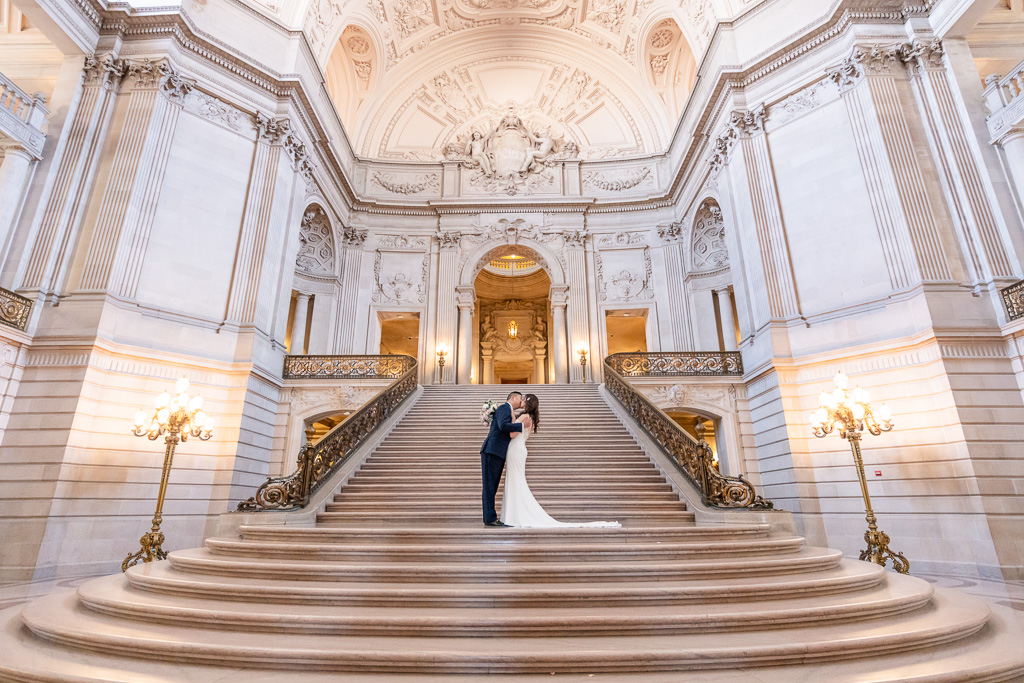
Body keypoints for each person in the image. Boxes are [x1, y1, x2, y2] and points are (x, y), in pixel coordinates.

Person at [500, 394, 620, 529]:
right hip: (519, 450)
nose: (521, 400)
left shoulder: (524, 417)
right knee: (516, 479)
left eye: (524, 398)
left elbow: (512, 434)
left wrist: (510, 418)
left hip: (515, 451)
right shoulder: (529, 418)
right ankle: (513, 514)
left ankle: (514, 515)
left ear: (527, 403)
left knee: (515, 480)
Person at [479, 391, 530, 527]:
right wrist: (521, 426)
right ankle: (489, 518)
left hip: (497, 452)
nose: (521, 401)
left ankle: (490, 517)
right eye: (520, 398)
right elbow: (503, 426)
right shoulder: (504, 408)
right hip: (492, 451)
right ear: (513, 398)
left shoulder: (509, 410)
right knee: (489, 486)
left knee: (492, 486)